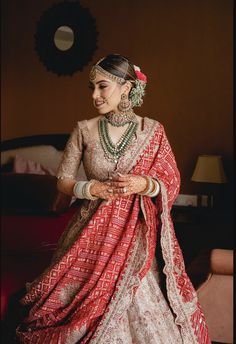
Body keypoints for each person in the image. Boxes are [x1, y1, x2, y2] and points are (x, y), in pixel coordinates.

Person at [16, 54, 210, 343]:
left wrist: (143, 183)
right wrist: (90, 189)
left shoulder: (152, 131)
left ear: (127, 88)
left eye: (102, 86)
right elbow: (64, 181)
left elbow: (171, 180)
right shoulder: (84, 129)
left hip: (135, 237)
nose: (95, 95)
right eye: (91, 87)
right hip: (88, 233)